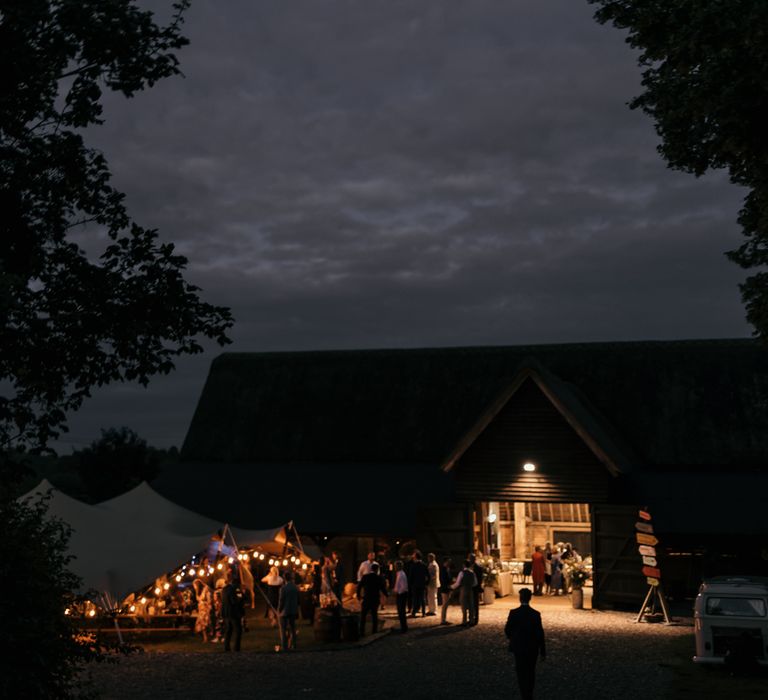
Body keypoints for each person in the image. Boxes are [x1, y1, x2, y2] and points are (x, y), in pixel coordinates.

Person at [504, 587, 546, 700]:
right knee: (531, 671)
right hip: (532, 647)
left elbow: (507, 629)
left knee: (520, 670)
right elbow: (540, 633)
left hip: (519, 646)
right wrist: (543, 650)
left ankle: (524, 693)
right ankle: (529, 693)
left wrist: (513, 639)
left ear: (520, 598)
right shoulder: (535, 614)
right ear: (530, 598)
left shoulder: (514, 613)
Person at [357, 562, 388, 635]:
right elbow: (383, 588)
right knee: (374, 615)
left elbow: (359, 586)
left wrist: (359, 596)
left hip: (366, 598)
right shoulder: (379, 578)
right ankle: (374, 630)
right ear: (377, 570)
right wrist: (386, 595)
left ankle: (362, 631)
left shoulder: (365, 577)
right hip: (375, 599)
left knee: (363, 615)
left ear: (371, 569)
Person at [221, 572, 244, 652]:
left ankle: (226, 647)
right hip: (233, 613)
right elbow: (234, 601)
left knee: (228, 631)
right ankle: (236, 648)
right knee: (238, 631)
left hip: (226, 613)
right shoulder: (232, 590)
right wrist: (241, 599)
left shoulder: (224, 589)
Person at [278, 571, 299, 650]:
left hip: (285, 611)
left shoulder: (283, 589)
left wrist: (279, 610)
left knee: (283, 629)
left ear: (284, 578)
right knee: (293, 628)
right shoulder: (295, 587)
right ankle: (294, 645)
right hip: (293, 610)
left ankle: (284, 646)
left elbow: (281, 601)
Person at [451, 560, 477, 626]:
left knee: (464, 606)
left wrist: (451, 587)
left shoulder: (461, 573)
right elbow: (475, 583)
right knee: (471, 605)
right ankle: (471, 620)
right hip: (470, 589)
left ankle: (464, 621)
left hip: (463, 589)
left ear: (464, 565)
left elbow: (458, 583)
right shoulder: (472, 572)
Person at [408, 551, 429, 617]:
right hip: (422, 584)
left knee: (415, 598)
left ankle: (414, 612)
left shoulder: (413, 565)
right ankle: (423, 612)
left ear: (416, 557)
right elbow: (428, 576)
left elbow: (411, 576)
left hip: (415, 584)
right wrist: (426, 583)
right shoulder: (424, 565)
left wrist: (410, 584)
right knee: (422, 599)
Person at [393, 560, 409, 633]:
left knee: (401, 611)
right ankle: (403, 627)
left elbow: (403, 587)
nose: (394, 567)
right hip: (400, 594)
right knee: (400, 612)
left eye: (396, 566)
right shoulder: (399, 574)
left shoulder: (401, 574)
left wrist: (397, 592)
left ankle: (404, 628)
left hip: (401, 594)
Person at [468, 553, 483, 625]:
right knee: (469, 604)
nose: (470, 559)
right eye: (470, 558)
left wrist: (478, 587)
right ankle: (470, 618)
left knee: (475, 604)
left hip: (475, 588)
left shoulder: (478, 567)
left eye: (472, 558)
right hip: (469, 588)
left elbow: (480, 579)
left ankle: (476, 619)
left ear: (474, 559)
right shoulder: (468, 566)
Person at [439, 557, 454, 625]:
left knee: (446, 605)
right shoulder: (443, 570)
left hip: (447, 588)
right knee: (445, 605)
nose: (449, 563)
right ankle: (443, 620)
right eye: (448, 561)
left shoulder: (447, 569)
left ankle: (444, 619)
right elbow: (443, 580)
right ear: (445, 562)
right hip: (445, 589)